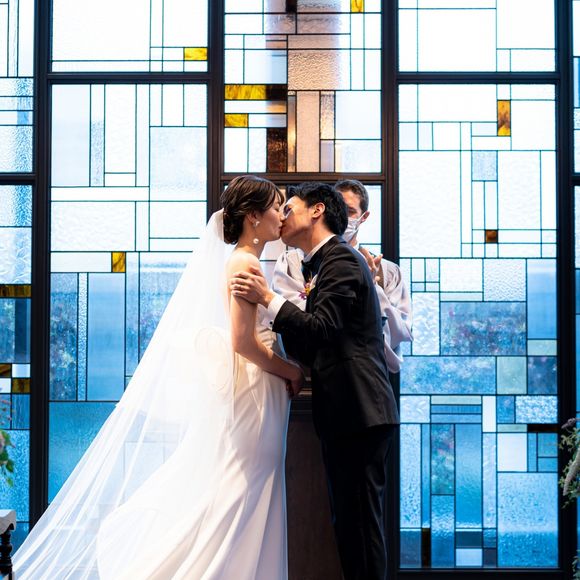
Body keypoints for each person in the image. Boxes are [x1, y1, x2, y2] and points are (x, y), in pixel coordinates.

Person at [14, 175, 301, 579]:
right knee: (242, 490)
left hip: (259, 388)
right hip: (256, 388)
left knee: (248, 488)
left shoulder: (244, 260)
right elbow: (242, 341)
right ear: (253, 216)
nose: (281, 215)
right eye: (275, 206)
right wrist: (291, 370)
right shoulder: (245, 262)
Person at [231, 182, 400, 580]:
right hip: (346, 412)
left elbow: (322, 328)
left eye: (289, 207)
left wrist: (268, 299)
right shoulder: (322, 263)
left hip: (360, 411)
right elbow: (315, 339)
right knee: (350, 527)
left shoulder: (341, 260)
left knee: (361, 528)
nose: (283, 216)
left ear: (317, 210)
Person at [270, 179, 412, 373]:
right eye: (339, 209)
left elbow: (399, 333)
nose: (343, 216)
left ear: (364, 217)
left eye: (350, 211)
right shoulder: (292, 261)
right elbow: (293, 322)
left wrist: (370, 289)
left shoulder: (388, 271)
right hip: (307, 370)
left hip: (360, 375)